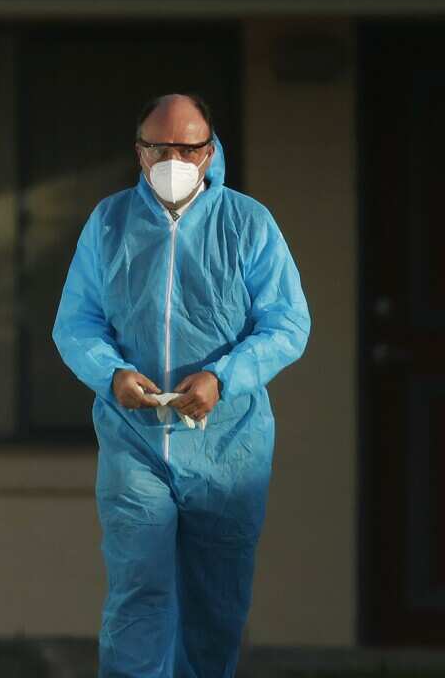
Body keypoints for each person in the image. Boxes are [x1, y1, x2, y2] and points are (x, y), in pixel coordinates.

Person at [51, 94, 310, 678]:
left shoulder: (247, 223)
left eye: (188, 147)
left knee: (215, 607)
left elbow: (288, 323)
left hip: (228, 447)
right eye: (159, 147)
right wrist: (110, 373)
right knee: (138, 591)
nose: (174, 158)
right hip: (134, 440)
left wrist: (223, 377)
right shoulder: (110, 221)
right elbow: (76, 322)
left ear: (211, 150)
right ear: (139, 151)